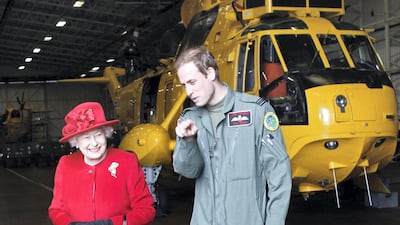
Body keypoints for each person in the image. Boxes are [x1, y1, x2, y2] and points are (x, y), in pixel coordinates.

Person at [173, 47, 292, 225]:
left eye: (192, 82)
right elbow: (188, 171)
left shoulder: (255, 111)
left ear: (210, 73)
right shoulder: (190, 118)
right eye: (184, 85)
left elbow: (279, 175)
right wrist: (187, 142)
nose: (188, 92)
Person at [48, 102, 155, 225]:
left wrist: (116, 223)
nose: (94, 143)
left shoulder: (127, 161)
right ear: (76, 141)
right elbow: (56, 210)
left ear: (106, 134)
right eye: (86, 138)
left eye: (98, 135)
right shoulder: (65, 164)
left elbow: (146, 209)